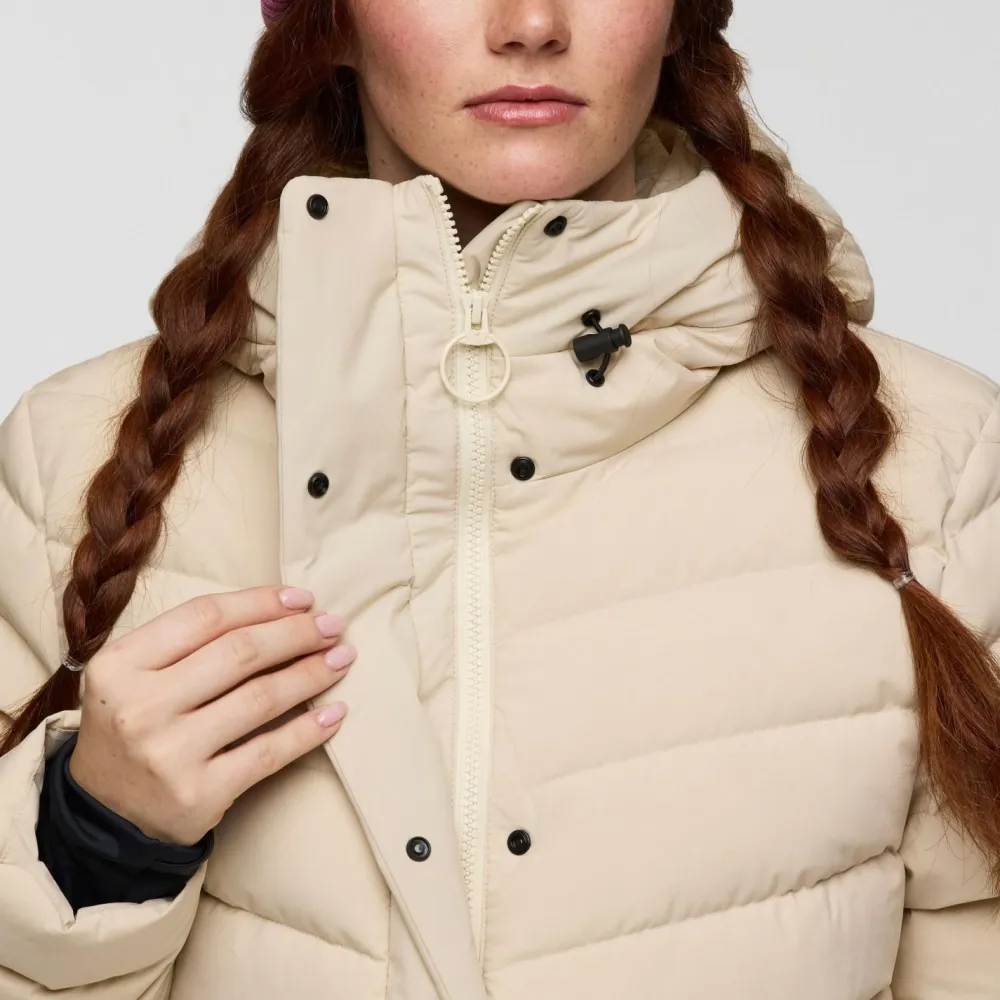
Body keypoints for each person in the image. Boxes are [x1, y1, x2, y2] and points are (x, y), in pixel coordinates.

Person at [0, 0, 998, 996]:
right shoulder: (71, 463)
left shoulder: (938, 466)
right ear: (328, 20)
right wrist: (100, 845)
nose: (530, 23)